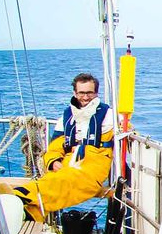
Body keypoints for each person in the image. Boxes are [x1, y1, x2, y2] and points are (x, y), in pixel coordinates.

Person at [13, 73, 114, 221]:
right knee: (54, 178)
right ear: (75, 93)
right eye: (81, 93)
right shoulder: (66, 118)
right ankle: (30, 212)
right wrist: (54, 162)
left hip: (95, 160)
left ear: (96, 93)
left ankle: (24, 194)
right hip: (69, 160)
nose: (85, 97)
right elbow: (55, 147)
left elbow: (126, 132)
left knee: (72, 179)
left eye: (89, 93)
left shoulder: (109, 116)